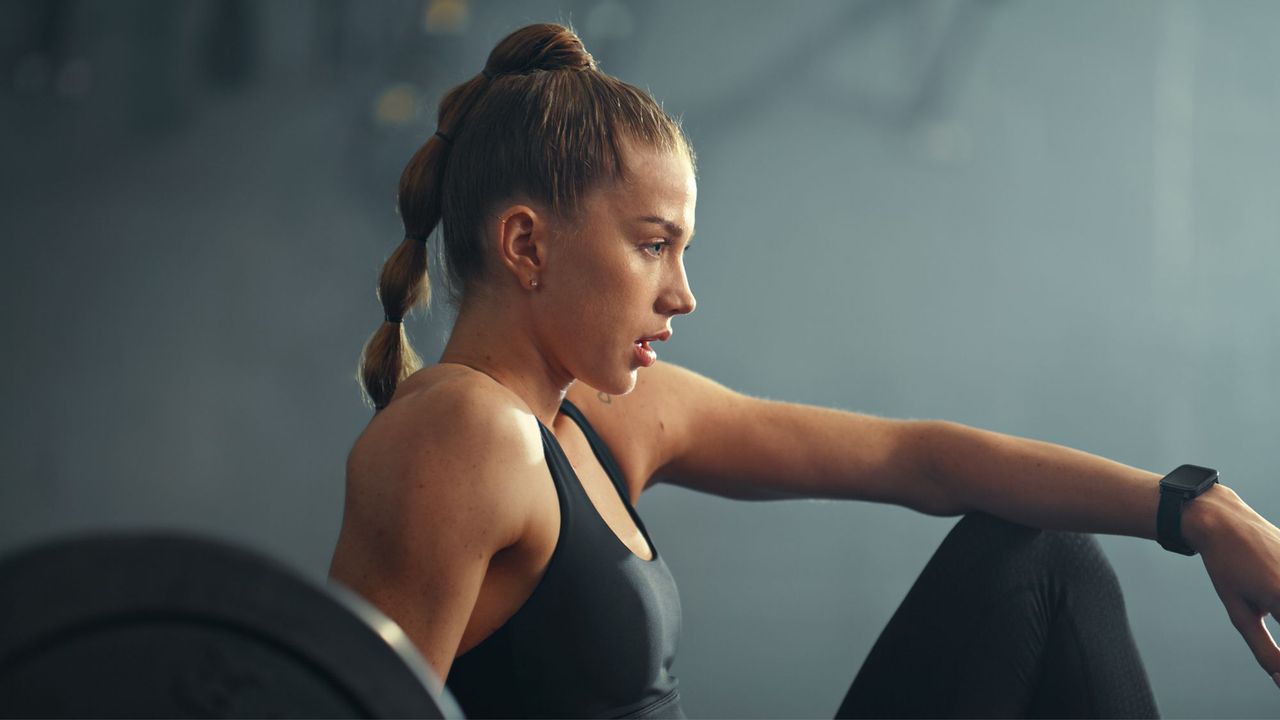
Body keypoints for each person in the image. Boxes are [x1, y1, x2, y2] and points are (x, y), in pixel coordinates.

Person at [327, 22, 1280, 719]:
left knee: (1043, 558)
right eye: (654, 245)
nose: (683, 294)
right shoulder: (462, 431)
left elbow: (920, 463)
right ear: (527, 243)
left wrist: (1194, 508)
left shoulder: (608, 421)